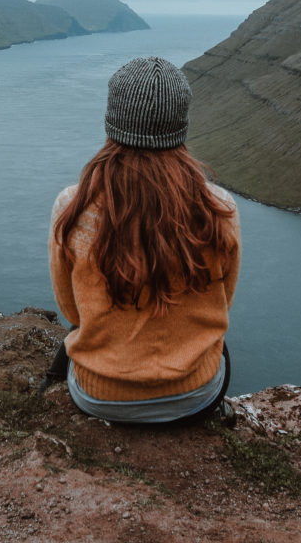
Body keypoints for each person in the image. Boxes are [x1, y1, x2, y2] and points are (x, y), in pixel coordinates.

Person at [44, 56, 241, 424]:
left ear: (112, 121)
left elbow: (72, 312)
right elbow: (222, 303)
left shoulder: (72, 207)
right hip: (196, 395)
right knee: (220, 349)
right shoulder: (219, 208)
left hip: (98, 396)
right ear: (180, 124)